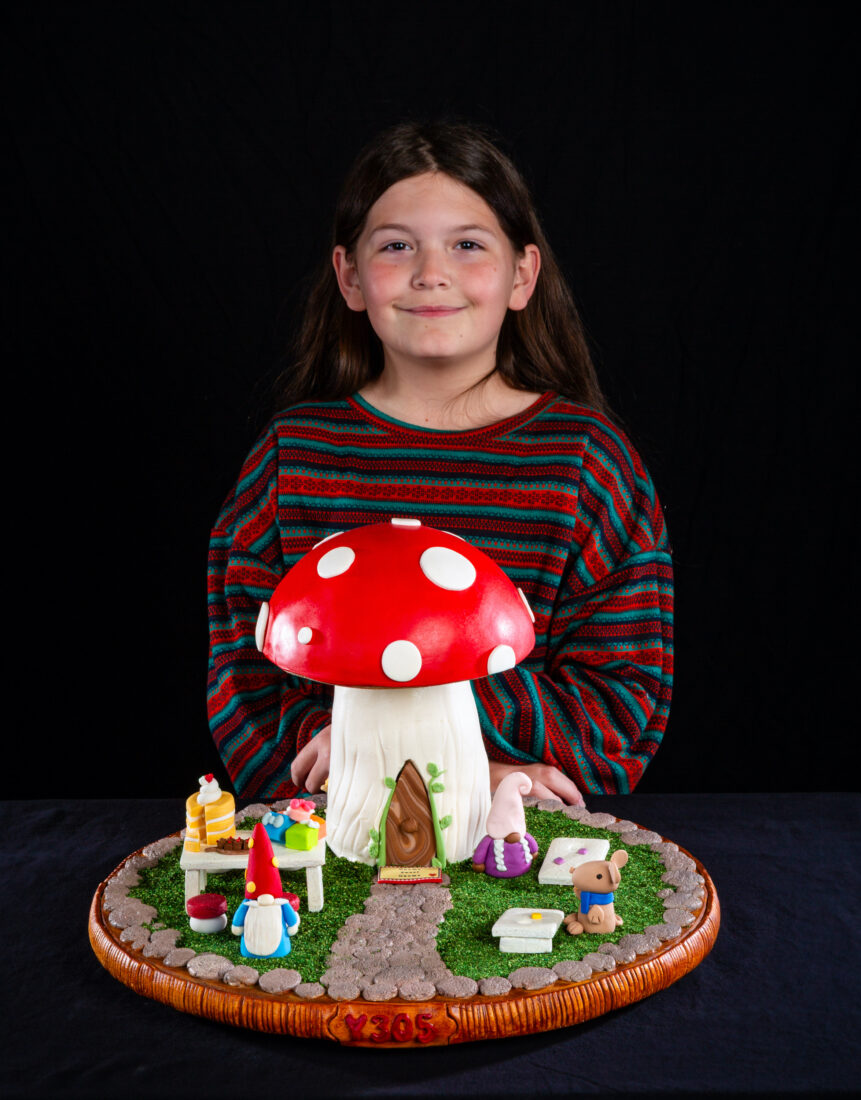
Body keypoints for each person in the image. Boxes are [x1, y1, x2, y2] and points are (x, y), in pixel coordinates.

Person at [207, 120, 673, 807]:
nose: (431, 273)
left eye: (467, 244)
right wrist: (370, 763)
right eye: (396, 245)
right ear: (350, 276)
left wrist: (429, 754)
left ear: (521, 276)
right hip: (336, 835)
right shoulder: (290, 460)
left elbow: (621, 700)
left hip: (522, 838)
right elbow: (244, 685)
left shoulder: (586, 463)